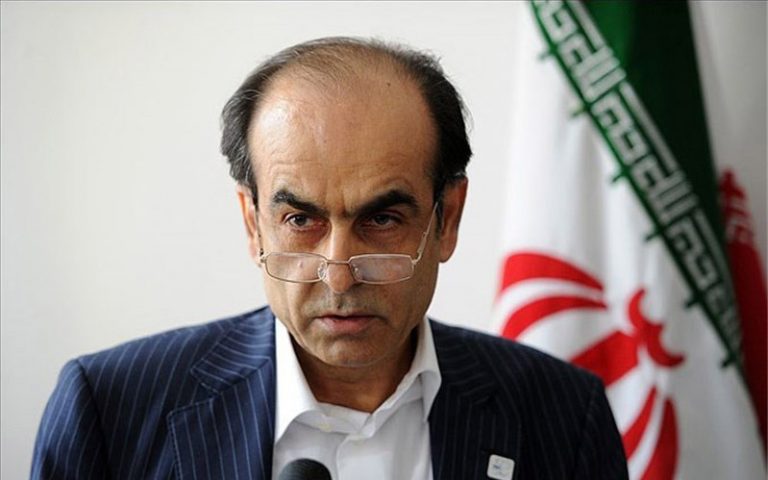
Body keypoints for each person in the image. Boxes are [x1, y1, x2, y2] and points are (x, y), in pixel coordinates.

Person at [31, 37, 628, 480]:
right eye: (300, 221)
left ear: (447, 219)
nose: (339, 274)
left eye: (382, 220)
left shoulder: (562, 413)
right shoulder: (108, 408)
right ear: (253, 224)